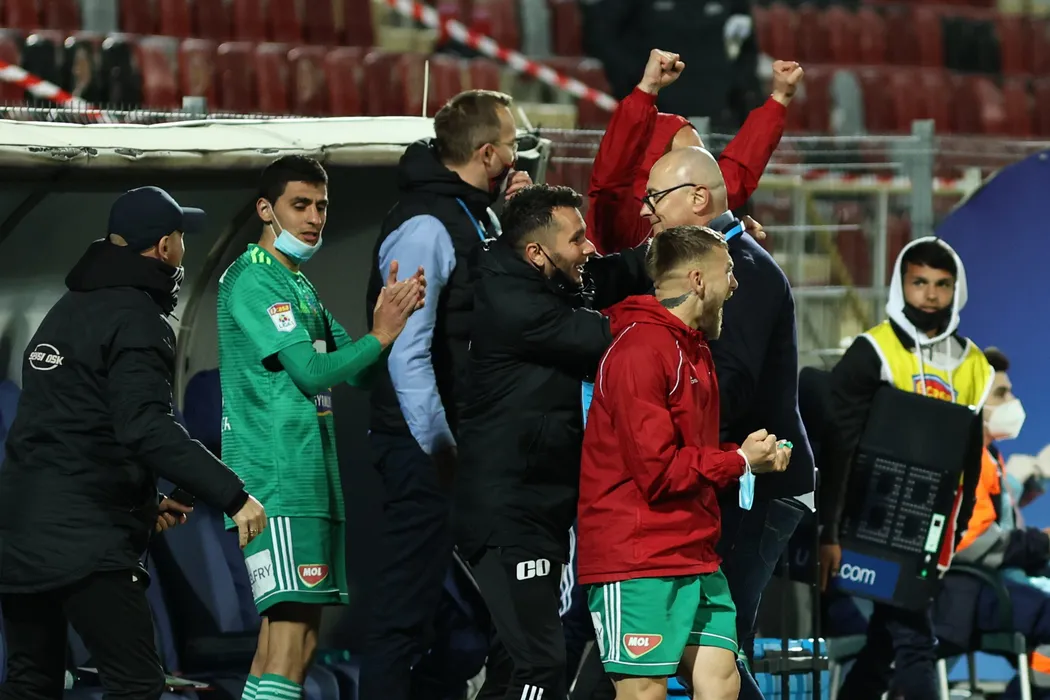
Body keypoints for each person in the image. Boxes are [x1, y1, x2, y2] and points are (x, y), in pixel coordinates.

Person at [0, 186, 266, 700]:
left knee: (31, 682)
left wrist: (143, 506)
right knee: (138, 685)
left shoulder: (66, 309)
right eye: (182, 238)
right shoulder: (139, 318)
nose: (184, 249)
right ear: (165, 247)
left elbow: (73, 434)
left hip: (19, 533)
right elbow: (145, 426)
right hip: (85, 546)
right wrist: (233, 496)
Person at [218, 156, 424, 700]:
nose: (314, 218)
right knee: (291, 644)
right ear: (266, 209)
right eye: (300, 205)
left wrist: (389, 329)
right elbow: (311, 373)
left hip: (307, 479)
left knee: (289, 643)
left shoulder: (298, 283)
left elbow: (356, 374)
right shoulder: (254, 279)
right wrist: (380, 336)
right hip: (278, 481)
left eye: (322, 206)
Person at [361, 88, 531, 700]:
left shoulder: (473, 215)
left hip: (463, 450)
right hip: (426, 452)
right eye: (511, 146)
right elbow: (406, 353)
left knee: (468, 620)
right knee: (404, 615)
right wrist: (441, 449)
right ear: (486, 154)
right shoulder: (425, 227)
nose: (516, 157)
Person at [455, 184, 653, 699]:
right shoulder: (515, 305)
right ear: (537, 253)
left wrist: (674, 246)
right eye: (577, 239)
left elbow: (608, 275)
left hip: (534, 509)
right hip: (509, 515)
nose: (590, 248)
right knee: (541, 665)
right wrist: (675, 306)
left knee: (512, 666)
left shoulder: (541, 281)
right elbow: (606, 338)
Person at [578, 224, 791, 700]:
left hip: (693, 550)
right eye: (728, 271)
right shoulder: (639, 350)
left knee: (722, 681)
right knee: (644, 691)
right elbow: (657, 473)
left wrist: (749, 459)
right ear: (698, 280)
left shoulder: (692, 348)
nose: (734, 284)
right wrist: (738, 460)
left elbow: (689, 454)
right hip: (636, 558)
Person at [641, 145, 814, 693]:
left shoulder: (744, 271)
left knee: (715, 645)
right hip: (733, 475)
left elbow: (729, 383)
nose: (646, 210)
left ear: (698, 198)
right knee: (709, 646)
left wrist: (668, 449)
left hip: (758, 483)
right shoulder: (711, 262)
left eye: (655, 197)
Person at [820, 237, 994, 700]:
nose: (931, 294)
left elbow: (969, 461)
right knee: (914, 639)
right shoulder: (872, 351)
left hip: (930, 525)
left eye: (942, 284)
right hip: (870, 518)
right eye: (919, 282)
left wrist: (956, 531)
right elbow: (837, 442)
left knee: (885, 643)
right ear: (901, 284)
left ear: (956, 289)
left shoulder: (975, 365)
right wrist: (829, 531)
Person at [586, 48, 801, 256]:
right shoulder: (627, 225)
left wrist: (780, 97)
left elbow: (735, 175)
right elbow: (612, 179)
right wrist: (647, 88)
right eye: (687, 166)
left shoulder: (690, 206)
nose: (702, 193)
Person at [937, 347, 1050, 700]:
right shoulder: (963, 457)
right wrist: (1044, 542)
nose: (1012, 402)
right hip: (968, 591)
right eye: (1001, 394)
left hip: (991, 582)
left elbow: (1002, 512)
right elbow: (973, 543)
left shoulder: (989, 456)